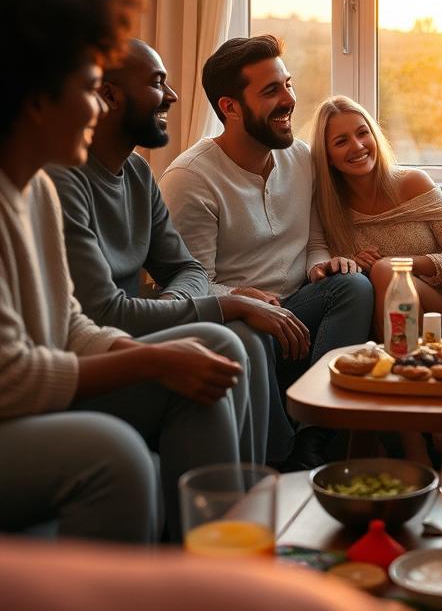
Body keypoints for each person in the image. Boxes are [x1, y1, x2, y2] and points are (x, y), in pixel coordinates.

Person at [0, 0, 246, 543]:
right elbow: (10, 377)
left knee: (210, 353)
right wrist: (156, 357)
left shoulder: (34, 193)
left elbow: (71, 328)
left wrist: (171, 352)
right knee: (114, 453)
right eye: (89, 88)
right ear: (36, 99)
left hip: (35, 399)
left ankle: (216, 580)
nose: (96, 106)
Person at [47, 38, 302, 465]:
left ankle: (266, 478)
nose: (172, 96)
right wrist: (226, 305)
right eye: (157, 82)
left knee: (245, 335)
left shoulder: (136, 171)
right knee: (224, 338)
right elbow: (105, 315)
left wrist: (175, 301)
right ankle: (234, 505)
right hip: (93, 359)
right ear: (109, 96)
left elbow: (186, 268)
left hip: (131, 333)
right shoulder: (63, 180)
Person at [160, 35, 374, 467]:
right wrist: (242, 299)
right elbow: (190, 282)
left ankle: (314, 438)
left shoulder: (301, 159)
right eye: (271, 91)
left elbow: (314, 242)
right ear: (230, 107)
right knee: (245, 333)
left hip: (301, 306)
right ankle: (278, 457)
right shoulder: (190, 179)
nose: (288, 100)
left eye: (288, 84)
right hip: (245, 321)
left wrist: (321, 267)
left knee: (353, 285)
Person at [309, 95, 442, 336]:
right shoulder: (328, 208)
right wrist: (356, 265)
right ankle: (401, 364)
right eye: (341, 141)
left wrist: (400, 265)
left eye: (362, 133)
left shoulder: (413, 183)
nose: (357, 146)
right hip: (371, 322)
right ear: (327, 156)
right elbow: (338, 285)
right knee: (381, 272)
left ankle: (404, 365)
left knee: (386, 271)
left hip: (437, 312)